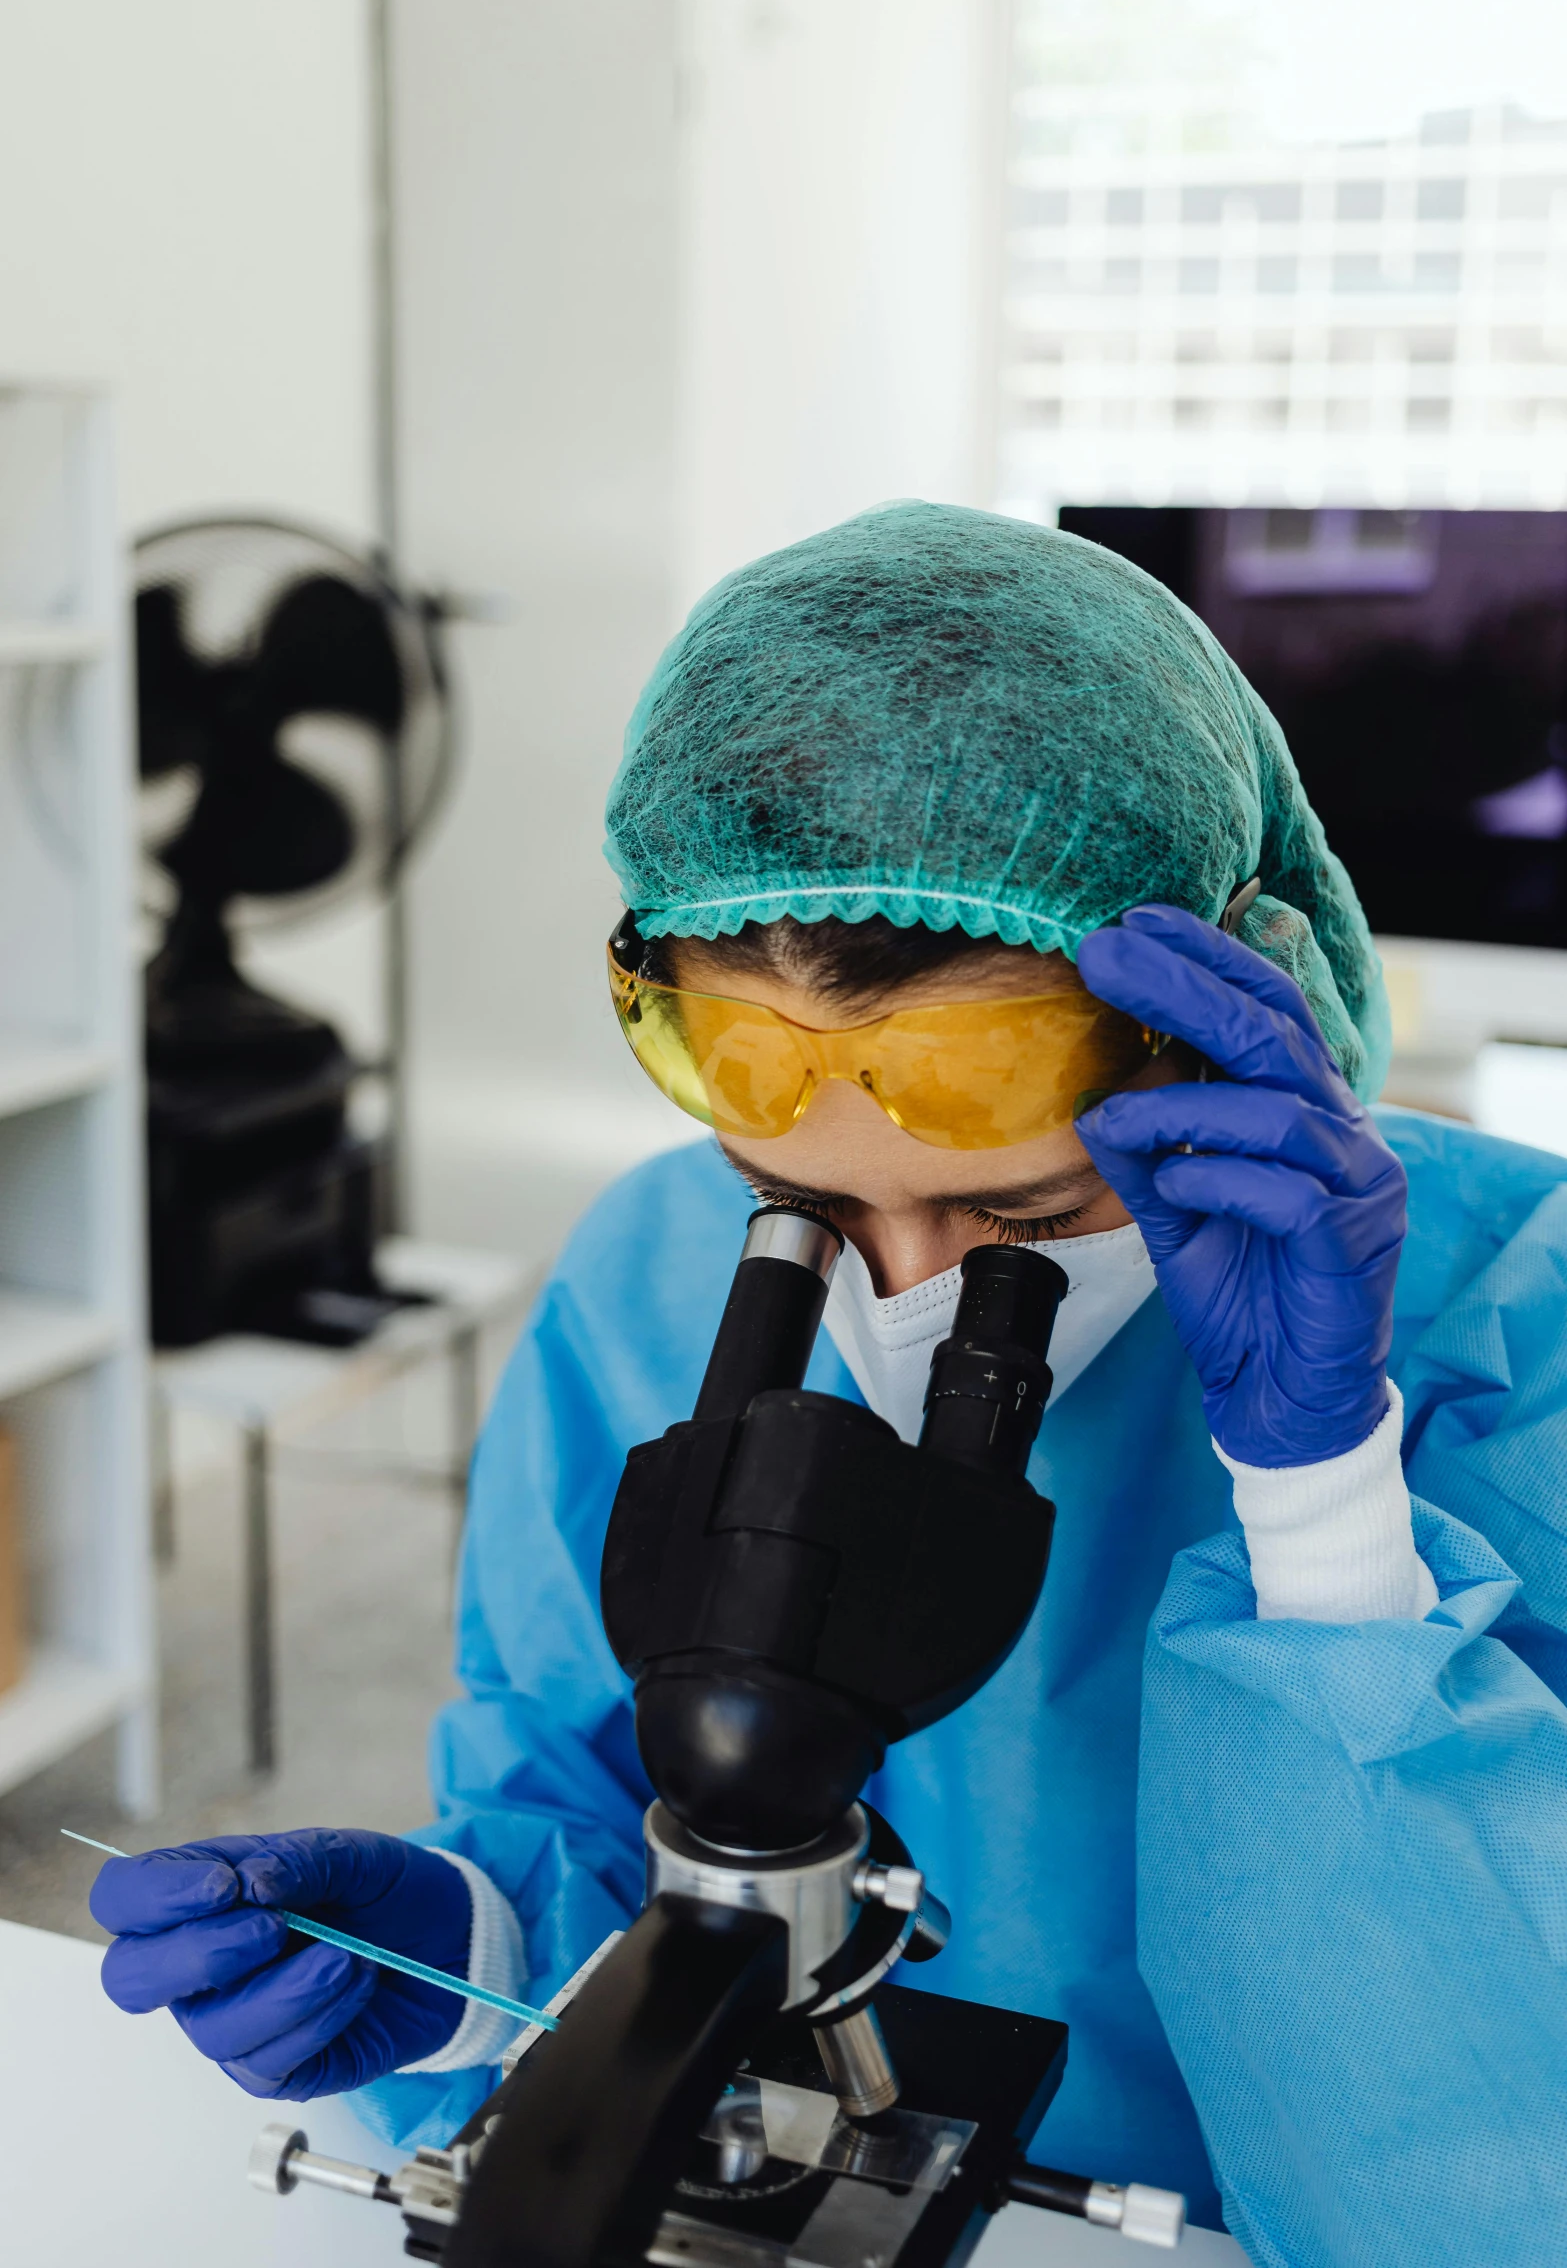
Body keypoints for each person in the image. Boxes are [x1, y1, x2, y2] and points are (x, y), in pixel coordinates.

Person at [93, 505, 1567, 2266]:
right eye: (798, 1206)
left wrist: (1322, 1501)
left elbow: (1498, 2142)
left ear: (1243, 1011)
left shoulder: (1502, 1304)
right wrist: (472, 1948)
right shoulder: (647, 1266)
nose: (916, 1294)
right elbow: (582, 1803)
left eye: (1019, 1209)